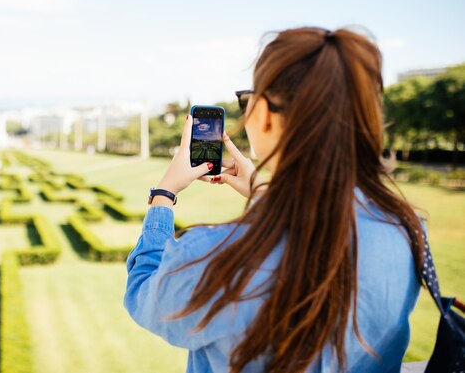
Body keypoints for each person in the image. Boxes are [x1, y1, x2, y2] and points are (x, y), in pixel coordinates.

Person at [123, 26, 427, 373]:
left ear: (264, 113)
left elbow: (145, 294)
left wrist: (163, 196)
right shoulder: (406, 226)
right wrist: (264, 191)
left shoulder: (220, 253)